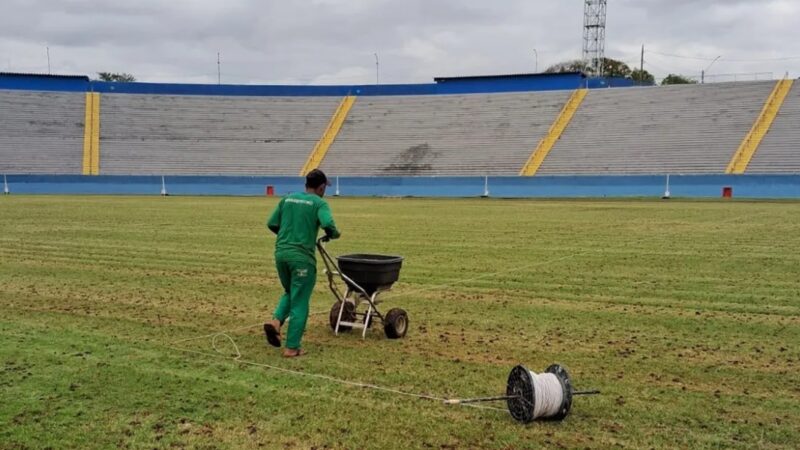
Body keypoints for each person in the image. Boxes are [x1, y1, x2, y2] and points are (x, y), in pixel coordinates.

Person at [263, 169, 341, 357]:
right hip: (301, 259)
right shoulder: (319, 203)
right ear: (322, 187)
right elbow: (328, 224)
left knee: (291, 291)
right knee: (300, 301)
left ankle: (276, 322)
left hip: (281, 254)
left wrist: (287, 236)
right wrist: (333, 235)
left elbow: (272, 223)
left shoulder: (288, 199)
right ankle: (292, 347)